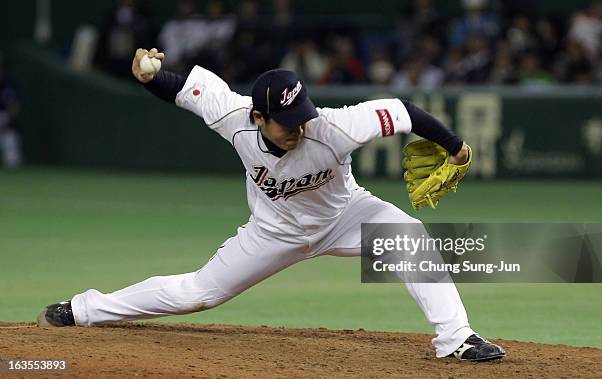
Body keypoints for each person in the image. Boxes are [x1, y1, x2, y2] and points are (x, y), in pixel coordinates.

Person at [37, 48, 506, 362]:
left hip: (346, 216)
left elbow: (405, 112)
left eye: (301, 116)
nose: (298, 127)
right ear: (258, 117)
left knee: (409, 237)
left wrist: (456, 146)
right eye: (285, 122)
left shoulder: (334, 125)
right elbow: (180, 89)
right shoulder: (234, 116)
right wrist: (148, 76)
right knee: (196, 294)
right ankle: (81, 310)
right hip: (273, 233)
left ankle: (457, 339)